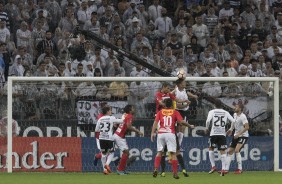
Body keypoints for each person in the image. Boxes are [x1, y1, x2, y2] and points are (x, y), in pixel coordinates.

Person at [151, 98, 193, 179]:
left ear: (165, 104)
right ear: (172, 104)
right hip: (170, 133)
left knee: (159, 152)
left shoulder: (160, 112)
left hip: (161, 133)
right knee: (173, 153)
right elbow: (181, 122)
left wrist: (152, 133)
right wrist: (189, 126)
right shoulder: (175, 112)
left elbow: (155, 123)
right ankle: (175, 173)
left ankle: (156, 169)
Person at [205, 99, 235, 176]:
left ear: (214, 105)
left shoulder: (212, 112)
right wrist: (231, 129)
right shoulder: (225, 112)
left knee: (211, 148)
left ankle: (213, 166)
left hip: (213, 134)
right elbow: (233, 121)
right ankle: (223, 169)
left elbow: (208, 121)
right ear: (221, 105)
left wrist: (207, 128)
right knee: (222, 151)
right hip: (222, 134)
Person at [113, 105, 143, 175]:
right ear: (130, 110)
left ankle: (121, 169)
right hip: (119, 136)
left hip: (119, 135)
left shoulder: (125, 115)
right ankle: (120, 169)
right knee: (126, 153)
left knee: (126, 153)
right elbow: (129, 126)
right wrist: (138, 131)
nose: (134, 109)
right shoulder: (129, 116)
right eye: (133, 108)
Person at [94, 106, 124, 175]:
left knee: (103, 154)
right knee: (111, 152)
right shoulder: (112, 118)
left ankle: (104, 170)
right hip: (109, 138)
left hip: (101, 138)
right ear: (107, 111)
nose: (111, 112)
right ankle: (107, 164)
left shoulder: (100, 119)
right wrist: (124, 117)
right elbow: (121, 121)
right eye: (110, 110)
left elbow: (96, 130)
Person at [225, 104, 249, 174]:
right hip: (236, 136)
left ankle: (240, 169)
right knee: (229, 152)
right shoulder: (235, 114)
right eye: (235, 106)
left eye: (236, 107)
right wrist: (230, 129)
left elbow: (247, 127)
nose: (235, 108)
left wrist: (239, 134)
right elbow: (233, 123)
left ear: (240, 109)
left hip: (243, 136)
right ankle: (226, 170)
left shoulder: (243, 116)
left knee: (236, 150)